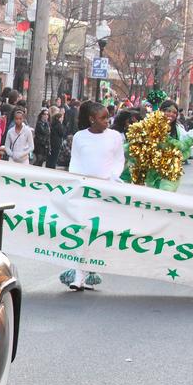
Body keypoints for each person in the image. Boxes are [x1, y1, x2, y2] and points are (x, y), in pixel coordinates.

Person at [61, 102, 123, 291]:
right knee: (83, 231)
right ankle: (78, 274)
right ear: (91, 119)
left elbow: (119, 160)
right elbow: (76, 161)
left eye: (108, 117)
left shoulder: (114, 137)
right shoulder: (80, 137)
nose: (107, 121)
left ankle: (89, 270)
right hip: (84, 191)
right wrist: (78, 182)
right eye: (103, 118)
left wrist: (112, 179)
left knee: (97, 233)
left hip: (105, 192)